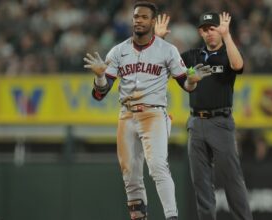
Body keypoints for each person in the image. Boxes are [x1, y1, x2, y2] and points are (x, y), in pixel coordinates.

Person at [83, 2, 211, 220]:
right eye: (136, 17)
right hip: (127, 114)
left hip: (153, 113)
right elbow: (99, 94)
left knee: (158, 166)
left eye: (143, 17)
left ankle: (172, 216)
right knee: (130, 174)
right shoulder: (118, 51)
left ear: (153, 21)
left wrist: (192, 81)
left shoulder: (167, 50)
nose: (138, 20)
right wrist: (99, 76)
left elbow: (186, 85)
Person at [155, 12, 253, 220]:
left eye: (213, 28)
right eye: (205, 29)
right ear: (200, 32)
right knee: (201, 183)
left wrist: (227, 36)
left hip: (221, 122)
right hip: (196, 122)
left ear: (220, 29)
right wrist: (159, 40)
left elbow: (238, 66)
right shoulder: (192, 56)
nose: (209, 33)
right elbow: (161, 66)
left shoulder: (227, 53)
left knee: (232, 179)